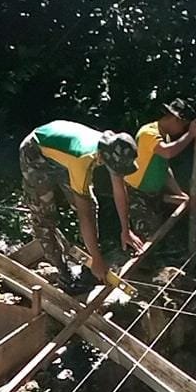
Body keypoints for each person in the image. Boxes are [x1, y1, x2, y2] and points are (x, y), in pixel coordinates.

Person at [19, 120, 141, 292]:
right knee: (45, 216)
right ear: (104, 158)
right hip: (35, 152)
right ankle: (63, 273)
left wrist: (126, 230)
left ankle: (88, 269)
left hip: (62, 153)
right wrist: (97, 259)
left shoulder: (113, 148)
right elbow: (85, 215)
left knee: (91, 205)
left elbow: (119, 190)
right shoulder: (83, 160)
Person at [124, 99, 196, 236]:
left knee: (156, 230)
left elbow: (164, 169)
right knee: (146, 234)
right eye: (183, 126)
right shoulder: (149, 133)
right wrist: (190, 134)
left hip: (154, 193)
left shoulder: (164, 136)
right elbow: (167, 152)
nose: (181, 131)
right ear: (175, 119)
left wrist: (179, 193)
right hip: (137, 193)